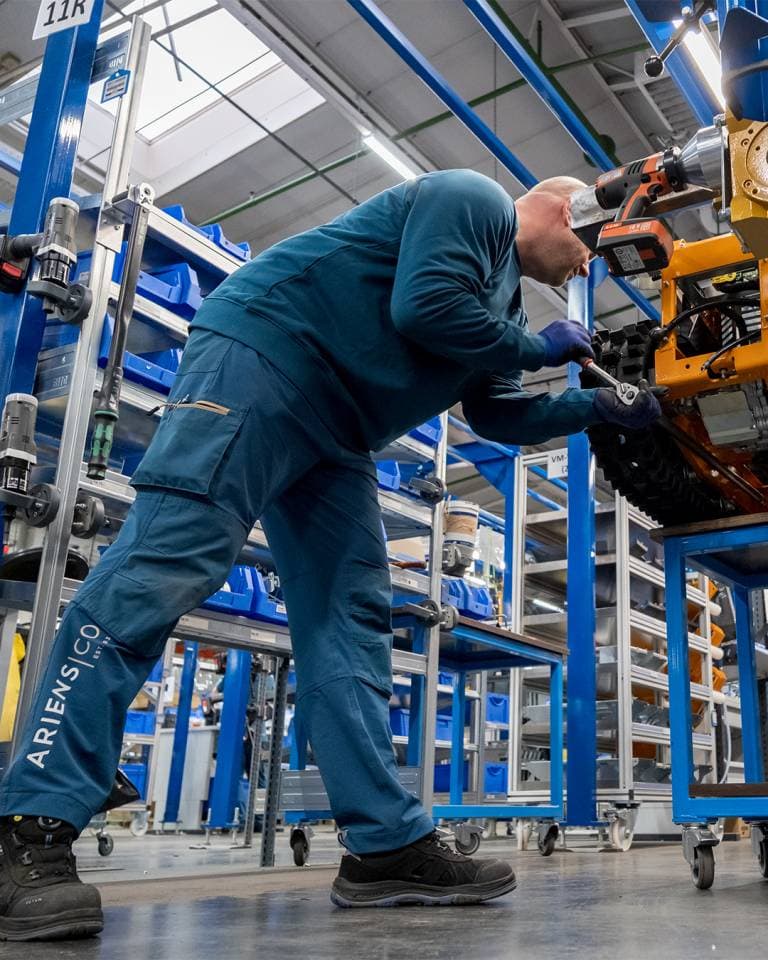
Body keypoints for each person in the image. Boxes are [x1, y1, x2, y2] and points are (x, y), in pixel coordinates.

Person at [0, 169, 660, 940]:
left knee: (352, 620)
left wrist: (595, 405)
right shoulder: (474, 201)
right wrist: (533, 345)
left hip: (340, 431)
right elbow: (425, 305)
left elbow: (498, 413)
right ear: (558, 207)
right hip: (264, 356)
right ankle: (30, 821)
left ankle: (385, 846)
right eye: (589, 243)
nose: (588, 262)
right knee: (167, 563)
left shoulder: (506, 305)